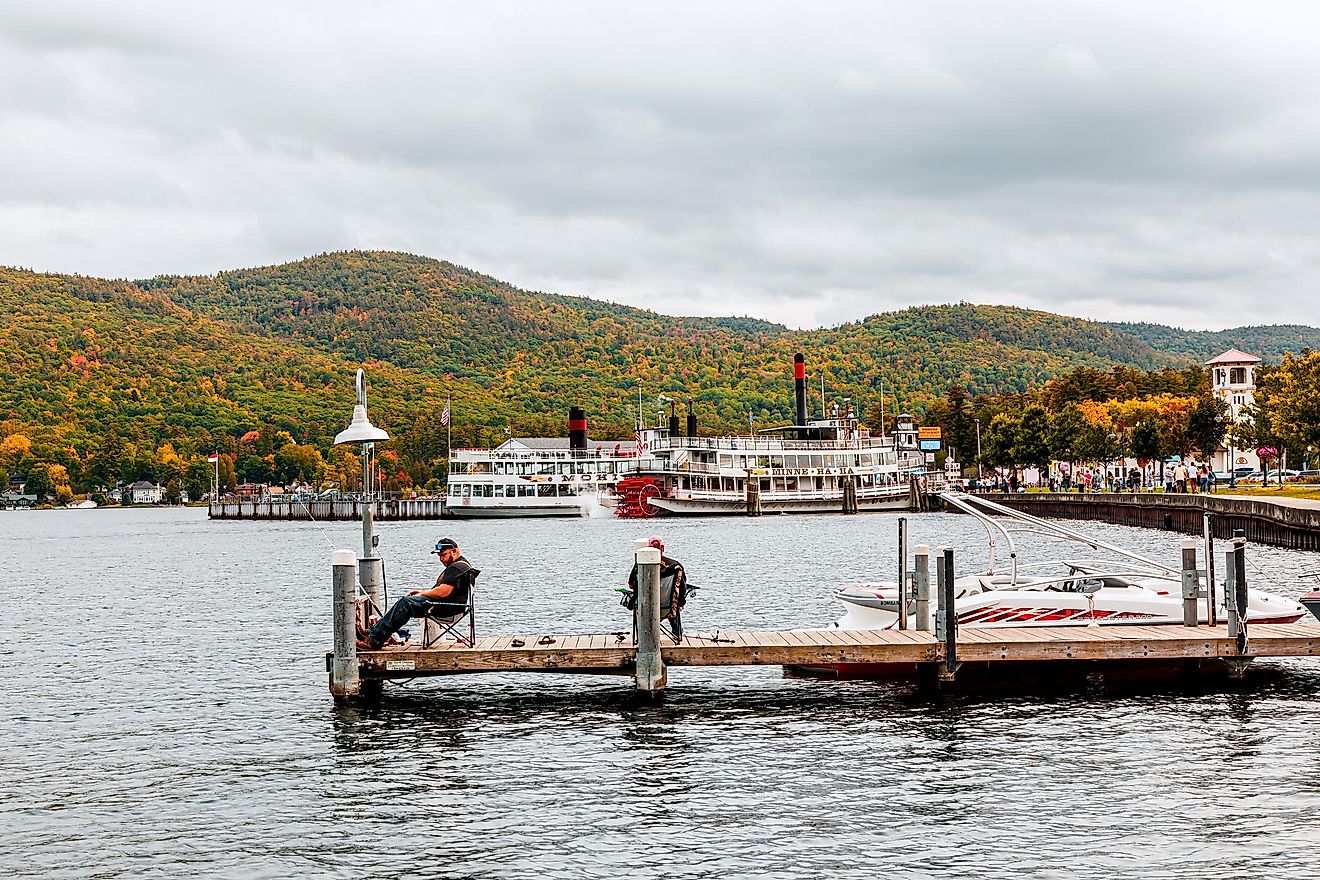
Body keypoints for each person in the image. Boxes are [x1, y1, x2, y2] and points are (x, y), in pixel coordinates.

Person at [357, 537, 475, 650]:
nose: (441, 559)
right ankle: (374, 632)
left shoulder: (457, 567)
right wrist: (422, 593)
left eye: (443, 555)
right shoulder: (461, 565)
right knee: (406, 600)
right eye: (439, 556)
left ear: (454, 551)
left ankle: (375, 640)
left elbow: (443, 592)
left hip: (447, 608)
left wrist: (423, 594)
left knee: (406, 604)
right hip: (446, 605)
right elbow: (442, 591)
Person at [628, 535, 688, 642]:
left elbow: (631, 585)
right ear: (663, 548)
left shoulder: (639, 566)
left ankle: (641, 638)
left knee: (638, 603)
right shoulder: (675, 565)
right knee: (675, 602)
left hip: (645, 608)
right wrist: (680, 603)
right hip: (668, 607)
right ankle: (677, 634)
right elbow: (683, 587)